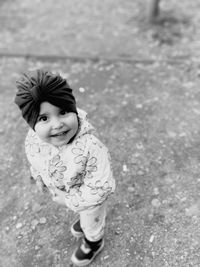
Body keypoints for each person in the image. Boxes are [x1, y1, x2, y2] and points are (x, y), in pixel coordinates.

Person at [14, 69, 115, 266]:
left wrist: (69, 200)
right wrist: (38, 175)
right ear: (32, 123)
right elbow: (35, 156)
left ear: (73, 109)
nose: (58, 124)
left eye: (63, 112)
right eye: (44, 118)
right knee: (83, 215)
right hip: (68, 191)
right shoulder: (35, 139)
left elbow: (101, 188)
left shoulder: (91, 148)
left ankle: (93, 241)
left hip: (89, 198)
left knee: (91, 221)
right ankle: (85, 221)